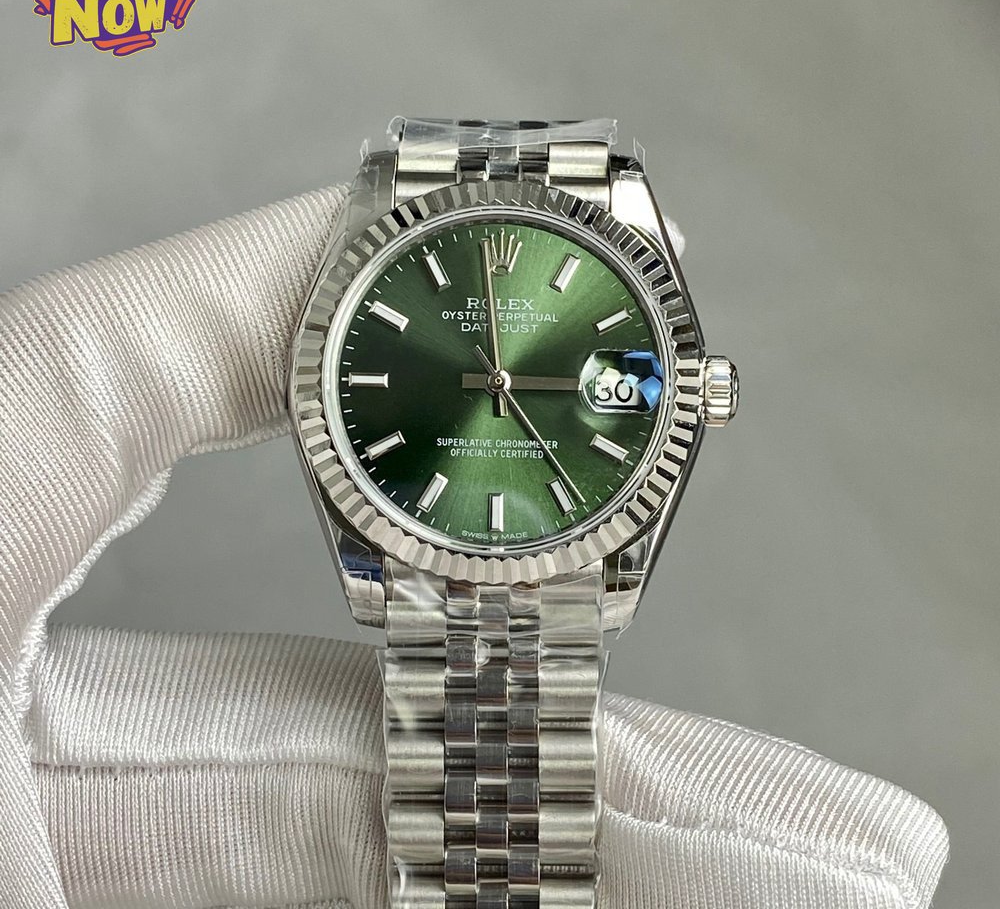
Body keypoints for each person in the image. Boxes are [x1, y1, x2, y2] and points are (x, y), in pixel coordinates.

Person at [0, 186, 947, 909]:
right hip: (422, 546)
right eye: (490, 375)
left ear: (701, 389)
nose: (497, 381)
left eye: (509, 377)